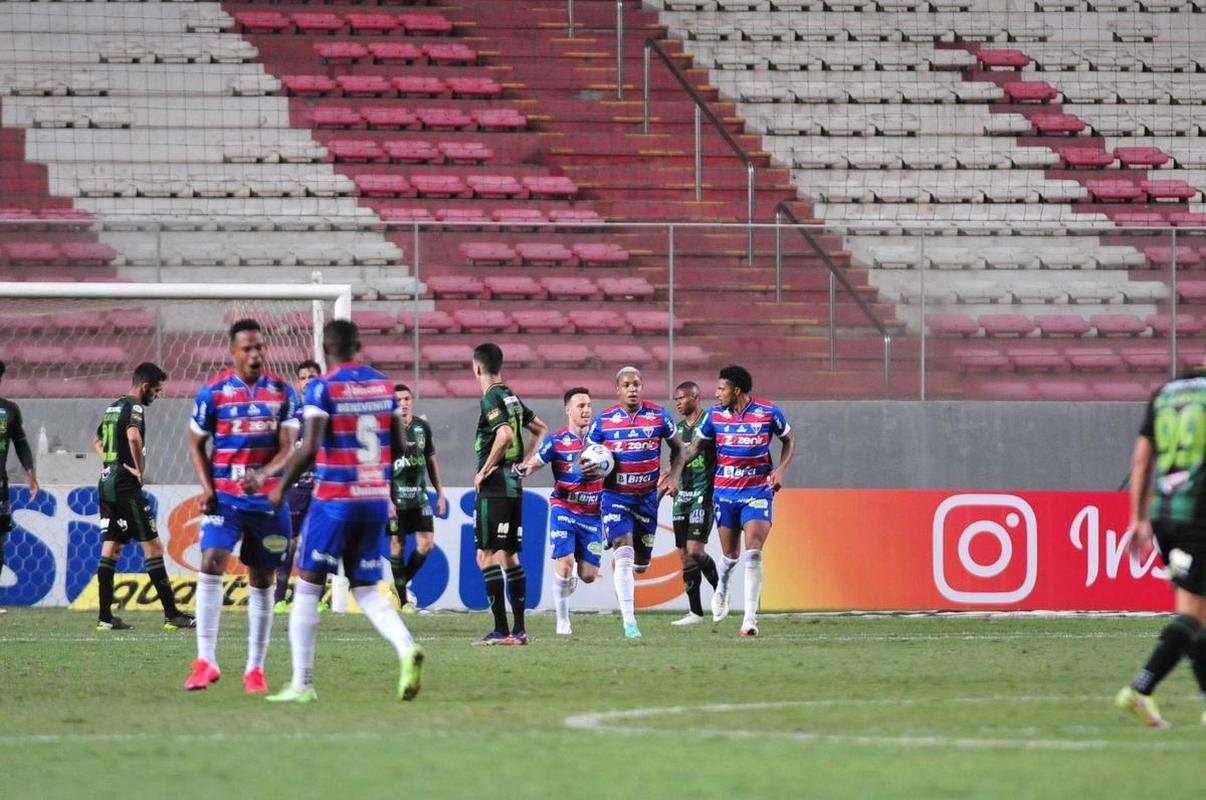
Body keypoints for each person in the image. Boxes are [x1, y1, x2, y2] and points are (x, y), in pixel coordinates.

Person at [261, 319, 423, 703]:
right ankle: (406, 648)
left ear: (325, 350)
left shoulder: (323, 387)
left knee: (307, 586)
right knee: (366, 588)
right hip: (372, 499)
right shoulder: (384, 386)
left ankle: (302, 684)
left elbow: (311, 444)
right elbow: (401, 447)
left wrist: (280, 486)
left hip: (334, 499)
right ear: (359, 345)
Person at [184, 319, 300, 694]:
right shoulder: (214, 393)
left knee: (262, 579)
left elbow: (288, 447)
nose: (255, 354)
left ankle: (255, 668)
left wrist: (264, 473)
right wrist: (206, 488)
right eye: (247, 349)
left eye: (259, 348)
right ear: (233, 352)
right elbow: (195, 444)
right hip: (225, 499)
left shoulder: (282, 393)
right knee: (211, 561)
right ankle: (205, 661)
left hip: (267, 500)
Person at [1115, 366, 1206, 728]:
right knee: (1190, 616)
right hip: (1199, 514)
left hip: (1165, 514)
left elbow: (1141, 460)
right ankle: (1141, 687)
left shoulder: (1165, 393)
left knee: (1197, 614)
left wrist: (1137, 518)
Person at [682, 365, 793, 637]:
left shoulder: (768, 412)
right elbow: (696, 447)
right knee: (730, 556)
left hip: (757, 491)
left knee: (753, 552)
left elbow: (788, 440)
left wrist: (779, 471)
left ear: (737, 390)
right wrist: (674, 466)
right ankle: (722, 588)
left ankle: (750, 619)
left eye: (721, 389)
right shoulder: (715, 417)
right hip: (725, 493)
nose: (716, 393)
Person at [91, 362, 195, 632]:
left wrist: (110, 464)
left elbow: (97, 441)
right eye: (157, 391)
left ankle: (104, 617)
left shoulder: (113, 406)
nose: (156, 396)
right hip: (126, 487)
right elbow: (134, 436)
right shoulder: (134, 407)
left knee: (111, 549)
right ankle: (172, 614)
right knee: (154, 548)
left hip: (106, 485)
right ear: (145, 386)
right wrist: (139, 469)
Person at [586, 366, 684, 639]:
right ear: (617, 389)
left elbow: (679, 449)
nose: (632, 389)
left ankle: (624, 545)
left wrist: (673, 476)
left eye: (636, 384)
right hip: (615, 496)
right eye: (627, 385)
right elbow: (585, 456)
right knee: (624, 555)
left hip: (646, 500)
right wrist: (585, 469)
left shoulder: (658, 416)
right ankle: (630, 623)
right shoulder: (604, 421)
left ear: (642, 387)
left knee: (641, 564)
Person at [471, 343, 547, 646]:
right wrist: (523, 465)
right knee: (509, 556)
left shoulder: (491, 397)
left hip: (496, 487)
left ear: (477, 367)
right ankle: (520, 630)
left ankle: (502, 629)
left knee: (485, 556)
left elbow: (503, 435)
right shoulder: (511, 396)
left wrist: (485, 470)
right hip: (514, 486)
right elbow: (541, 429)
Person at [520, 387, 603, 636]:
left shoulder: (602, 440)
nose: (586, 410)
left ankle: (578, 568)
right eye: (581, 406)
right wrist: (521, 471)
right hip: (564, 507)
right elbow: (535, 462)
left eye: (589, 405)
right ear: (568, 410)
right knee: (564, 564)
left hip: (592, 513)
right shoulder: (557, 441)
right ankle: (563, 621)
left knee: (589, 575)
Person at [389, 383, 447, 614]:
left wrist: (440, 493)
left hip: (420, 497)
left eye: (406, 399)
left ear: (411, 401)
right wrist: (387, 500)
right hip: (396, 497)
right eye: (397, 400)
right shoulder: (387, 430)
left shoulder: (423, 427)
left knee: (426, 544)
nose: (402, 404)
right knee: (397, 544)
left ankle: (398, 584)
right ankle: (403, 602)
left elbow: (431, 461)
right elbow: (382, 466)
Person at [274, 360, 322, 616]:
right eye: (302, 378)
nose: (307, 381)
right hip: (296, 488)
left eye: (312, 376)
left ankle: (318, 597)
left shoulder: (328, 416)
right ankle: (280, 597)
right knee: (289, 543)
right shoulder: (293, 416)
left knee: (320, 542)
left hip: (323, 489)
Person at [670, 381, 720, 626]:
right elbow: (674, 462)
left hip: (704, 495)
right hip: (682, 498)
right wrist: (669, 481)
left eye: (681, 398)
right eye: (676, 399)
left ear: (695, 397)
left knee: (695, 551)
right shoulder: (677, 430)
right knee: (683, 555)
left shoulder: (710, 423)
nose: (677, 402)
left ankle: (722, 592)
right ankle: (696, 613)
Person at [0, 359, 38, 617]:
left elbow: (21, 444)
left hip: (0, 485)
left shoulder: (9, 410)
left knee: (0, 542)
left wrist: (31, 474)